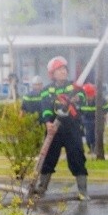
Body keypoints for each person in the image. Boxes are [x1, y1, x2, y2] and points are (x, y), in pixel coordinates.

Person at [32, 56, 89, 201]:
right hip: (54, 130)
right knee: (48, 158)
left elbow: (82, 95)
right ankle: (42, 187)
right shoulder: (47, 90)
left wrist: (77, 98)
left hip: (72, 128)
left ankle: (83, 191)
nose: (63, 72)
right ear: (52, 73)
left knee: (77, 157)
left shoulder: (73, 86)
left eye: (64, 69)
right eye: (59, 70)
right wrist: (48, 123)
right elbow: (45, 107)